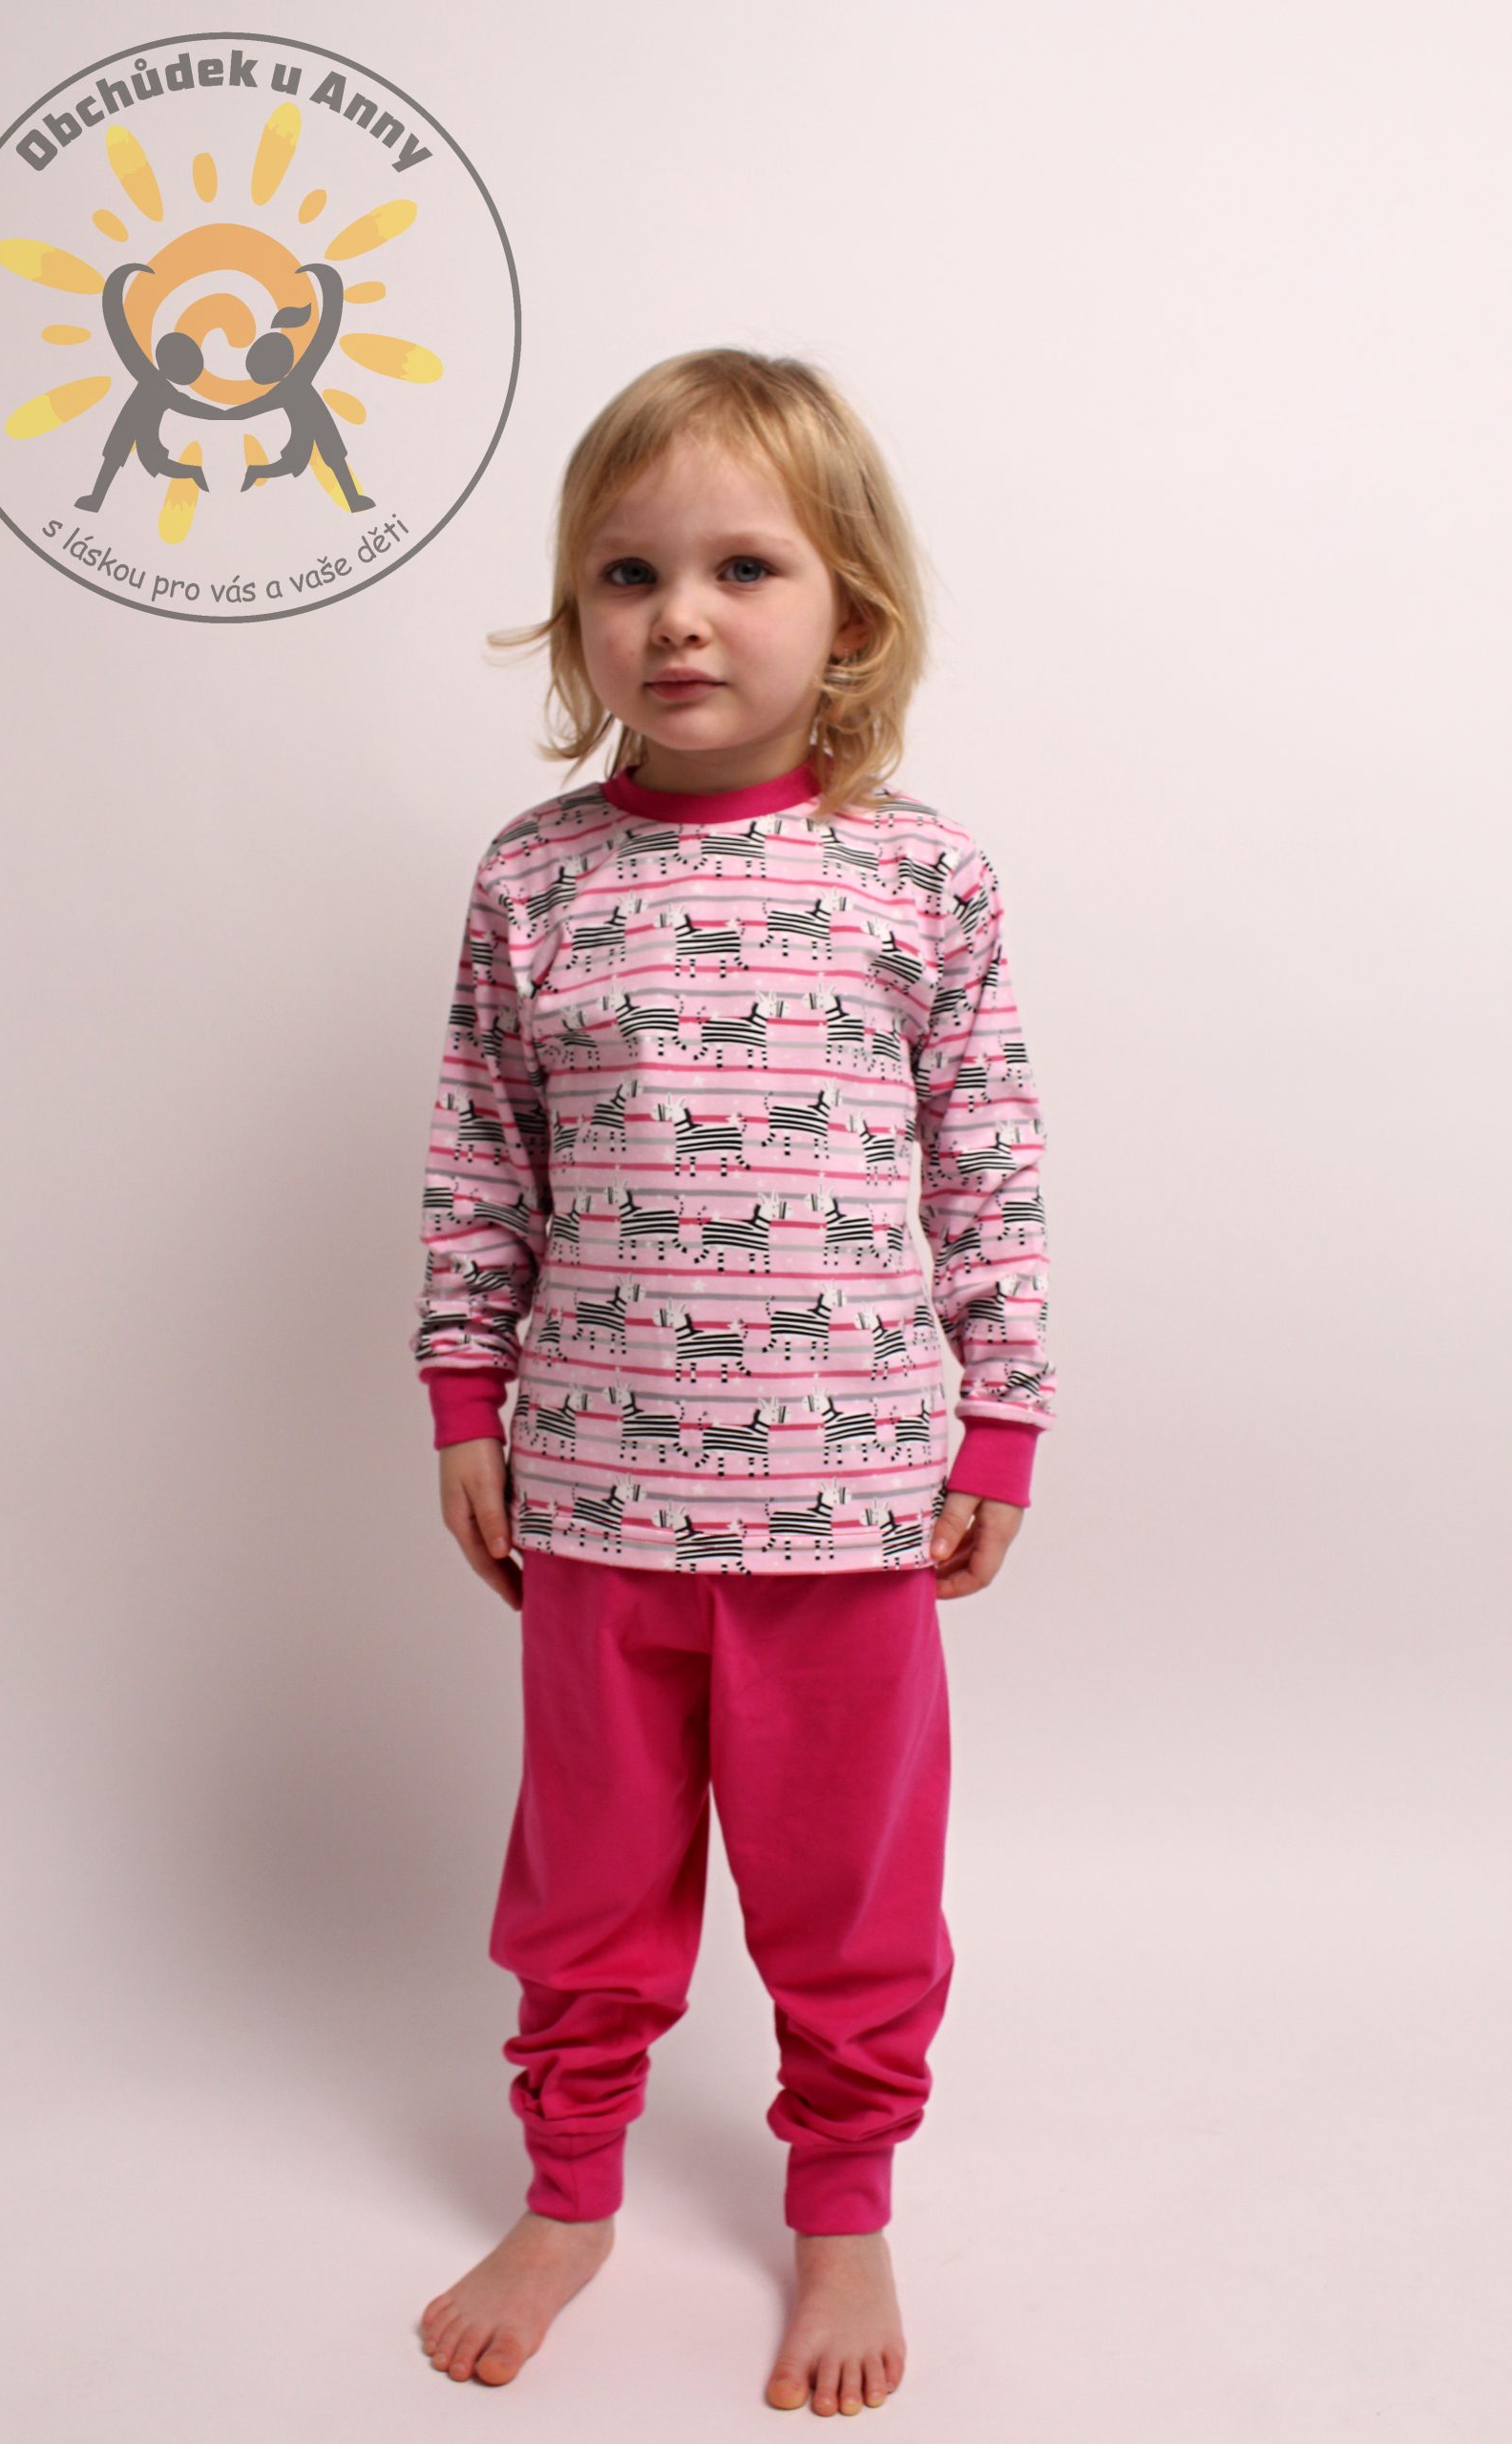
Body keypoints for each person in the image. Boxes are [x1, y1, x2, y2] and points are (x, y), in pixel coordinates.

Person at [409, 348, 1057, 2412]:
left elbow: (986, 1168)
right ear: (577, 613)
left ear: (849, 610)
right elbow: (481, 1158)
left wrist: (998, 1417)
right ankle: (571, 2189)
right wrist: (464, 1402)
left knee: (847, 1889)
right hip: (598, 1496)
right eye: (627, 572)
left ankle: (842, 2206)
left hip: (847, 1506)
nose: (677, 616)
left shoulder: (923, 878)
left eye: (741, 567)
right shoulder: (533, 879)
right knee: (583, 1883)